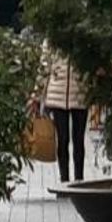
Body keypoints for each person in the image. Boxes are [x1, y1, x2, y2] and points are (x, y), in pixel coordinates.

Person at [38, 41, 88, 182]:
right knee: (62, 139)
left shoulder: (82, 36)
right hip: (57, 96)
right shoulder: (52, 38)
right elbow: (44, 68)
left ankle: (79, 179)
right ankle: (64, 180)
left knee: (78, 140)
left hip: (80, 94)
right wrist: (36, 95)